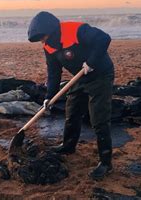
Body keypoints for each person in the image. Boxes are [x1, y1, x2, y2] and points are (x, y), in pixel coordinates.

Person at [27, 11, 115, 180]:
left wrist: (91, 62)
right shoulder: (49, 46)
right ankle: (68, 146)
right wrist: (49, 96)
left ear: (51, 30)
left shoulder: (76, 30)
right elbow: (53, 72)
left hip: (100, 74)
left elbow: (104, 38)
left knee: (98, 118)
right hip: (80, 77)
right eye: (40, 39)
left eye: (43, 37)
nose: (42, 41)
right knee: (72, 110)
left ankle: (105, 162)